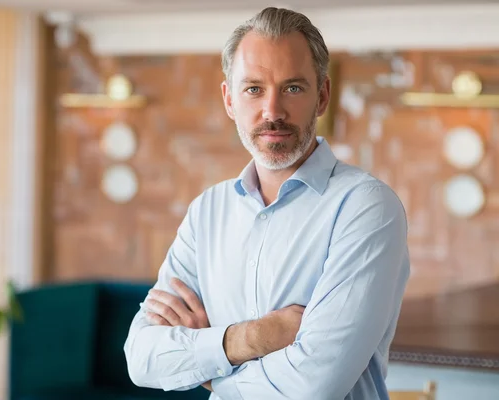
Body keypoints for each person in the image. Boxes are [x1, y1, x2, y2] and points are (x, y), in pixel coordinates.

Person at [124, 7, 410, 400]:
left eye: (292, 88)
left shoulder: (366, 208)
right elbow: (141, 360)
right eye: (253, 89)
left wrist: (208, 369)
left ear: (322, 95)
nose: (272, 112)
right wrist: (254, 338)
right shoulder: (208, 212)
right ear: (229, 99)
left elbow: (312, 386)